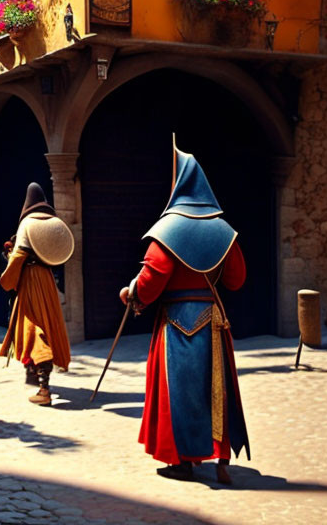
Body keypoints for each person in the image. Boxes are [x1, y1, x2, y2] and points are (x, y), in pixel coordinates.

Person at [120, 143, 249, 485]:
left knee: (178, 391)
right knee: (215, 390)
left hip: (177, 322)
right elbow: (236, 279)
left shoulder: (166, 231)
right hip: (213, 318)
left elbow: (151, 280)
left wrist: (131, 293)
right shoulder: (224, 231)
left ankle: (183, 461)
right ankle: (221, 458)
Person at [0, 183, 74, 406]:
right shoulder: (54, 224)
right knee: (45, 327)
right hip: (47, 281)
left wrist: (7, 278)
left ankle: (44, 389)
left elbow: (19, 256)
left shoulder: (27, 224)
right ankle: (34, 373)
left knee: (34, 330)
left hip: (30, 281)